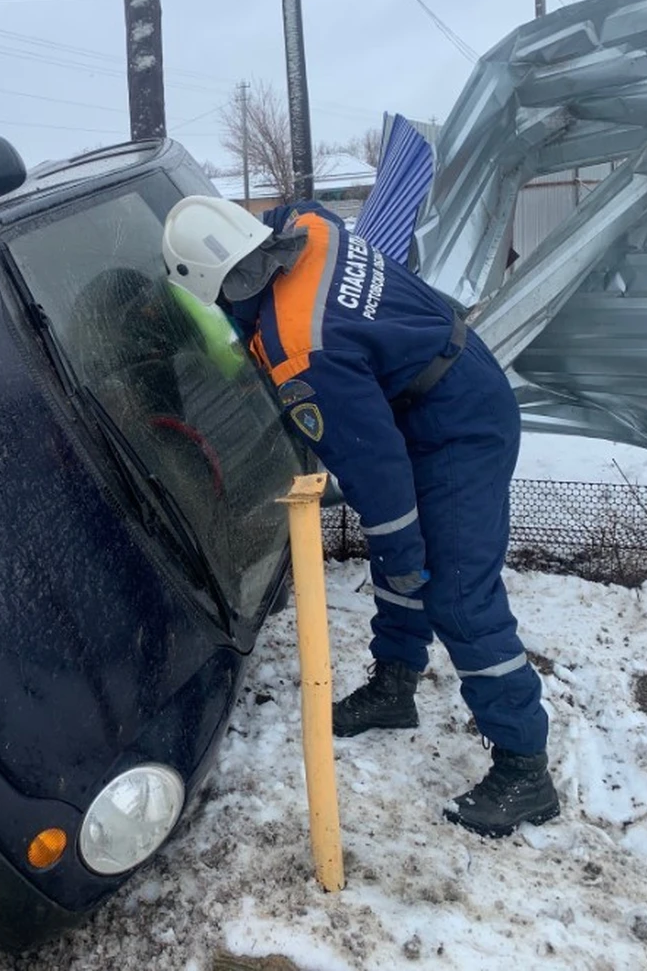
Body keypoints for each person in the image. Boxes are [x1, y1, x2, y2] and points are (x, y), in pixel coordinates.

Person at [161, 195, 560, 838]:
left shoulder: (299, 349)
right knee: (396, 550)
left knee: (453, 589)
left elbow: (379, 478)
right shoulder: (307, 231)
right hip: (437, 381)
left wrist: (404, 554)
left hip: (459, 422)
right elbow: (305, 204)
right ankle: (396, 686)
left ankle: (525, 769)